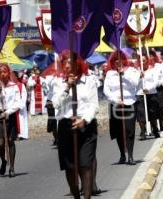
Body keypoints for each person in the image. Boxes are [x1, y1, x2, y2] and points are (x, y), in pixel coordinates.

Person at [52, 51, 98, 199]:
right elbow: (56, 104)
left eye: (70, 62)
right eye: (64, 62)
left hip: (85, 126)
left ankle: (87, 197)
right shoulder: (58, 82)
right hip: (66, 126)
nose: (67, 65)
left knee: (85, 163)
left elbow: (94, 105)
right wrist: (67, 87)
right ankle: (76, 196)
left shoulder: (89, 80)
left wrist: (84, 120)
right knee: (70, 166)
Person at [103, 51, 140, 165]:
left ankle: (131, 155)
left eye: (120, 60)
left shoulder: (132, 71)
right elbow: (106, 90)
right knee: (118, 131)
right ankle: (122, 155)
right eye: (115, 60)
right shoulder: (109, 74)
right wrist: (115, 100)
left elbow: (135, 83)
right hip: (116, 104)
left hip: (129, 103)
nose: (118, 62)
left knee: (129, 130)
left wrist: (124, 74)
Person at [135, 55, 160, 139]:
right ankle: (143, 131)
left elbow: (156, 82)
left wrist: (148, 89)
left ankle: (155, 129)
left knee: (152, 113)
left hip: (151, 93)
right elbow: (133, 83)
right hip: (140, 94)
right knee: (140, 113)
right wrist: (139, 77)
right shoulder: (136, 71)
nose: (142, 62)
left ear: (147, 61)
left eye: (144, 60)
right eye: (141, 61)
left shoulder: (152, 70)